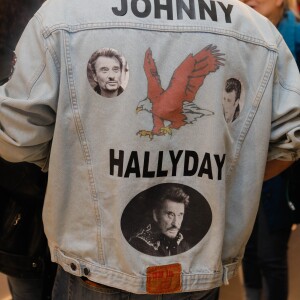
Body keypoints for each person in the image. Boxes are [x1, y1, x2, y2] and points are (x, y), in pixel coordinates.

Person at [0, 0, 299, 299]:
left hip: (96, 271)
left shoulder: (62, 16)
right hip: (199, 275)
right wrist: (224, 178)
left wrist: (73, 158)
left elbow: (15, 139)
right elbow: (292, 140)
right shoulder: (256, 31)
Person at [240, 0, 300, 299]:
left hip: (281, 168)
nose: (248, 1)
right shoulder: (241, 33)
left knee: (271, 253)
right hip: (242, 165)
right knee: (246, 250)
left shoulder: (296, 37)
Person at [129, 185, 190, 256]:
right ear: (156, 215)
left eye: (180, 215)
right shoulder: (139, 245)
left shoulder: (183, 245)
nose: (176, 224)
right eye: (170, 215)